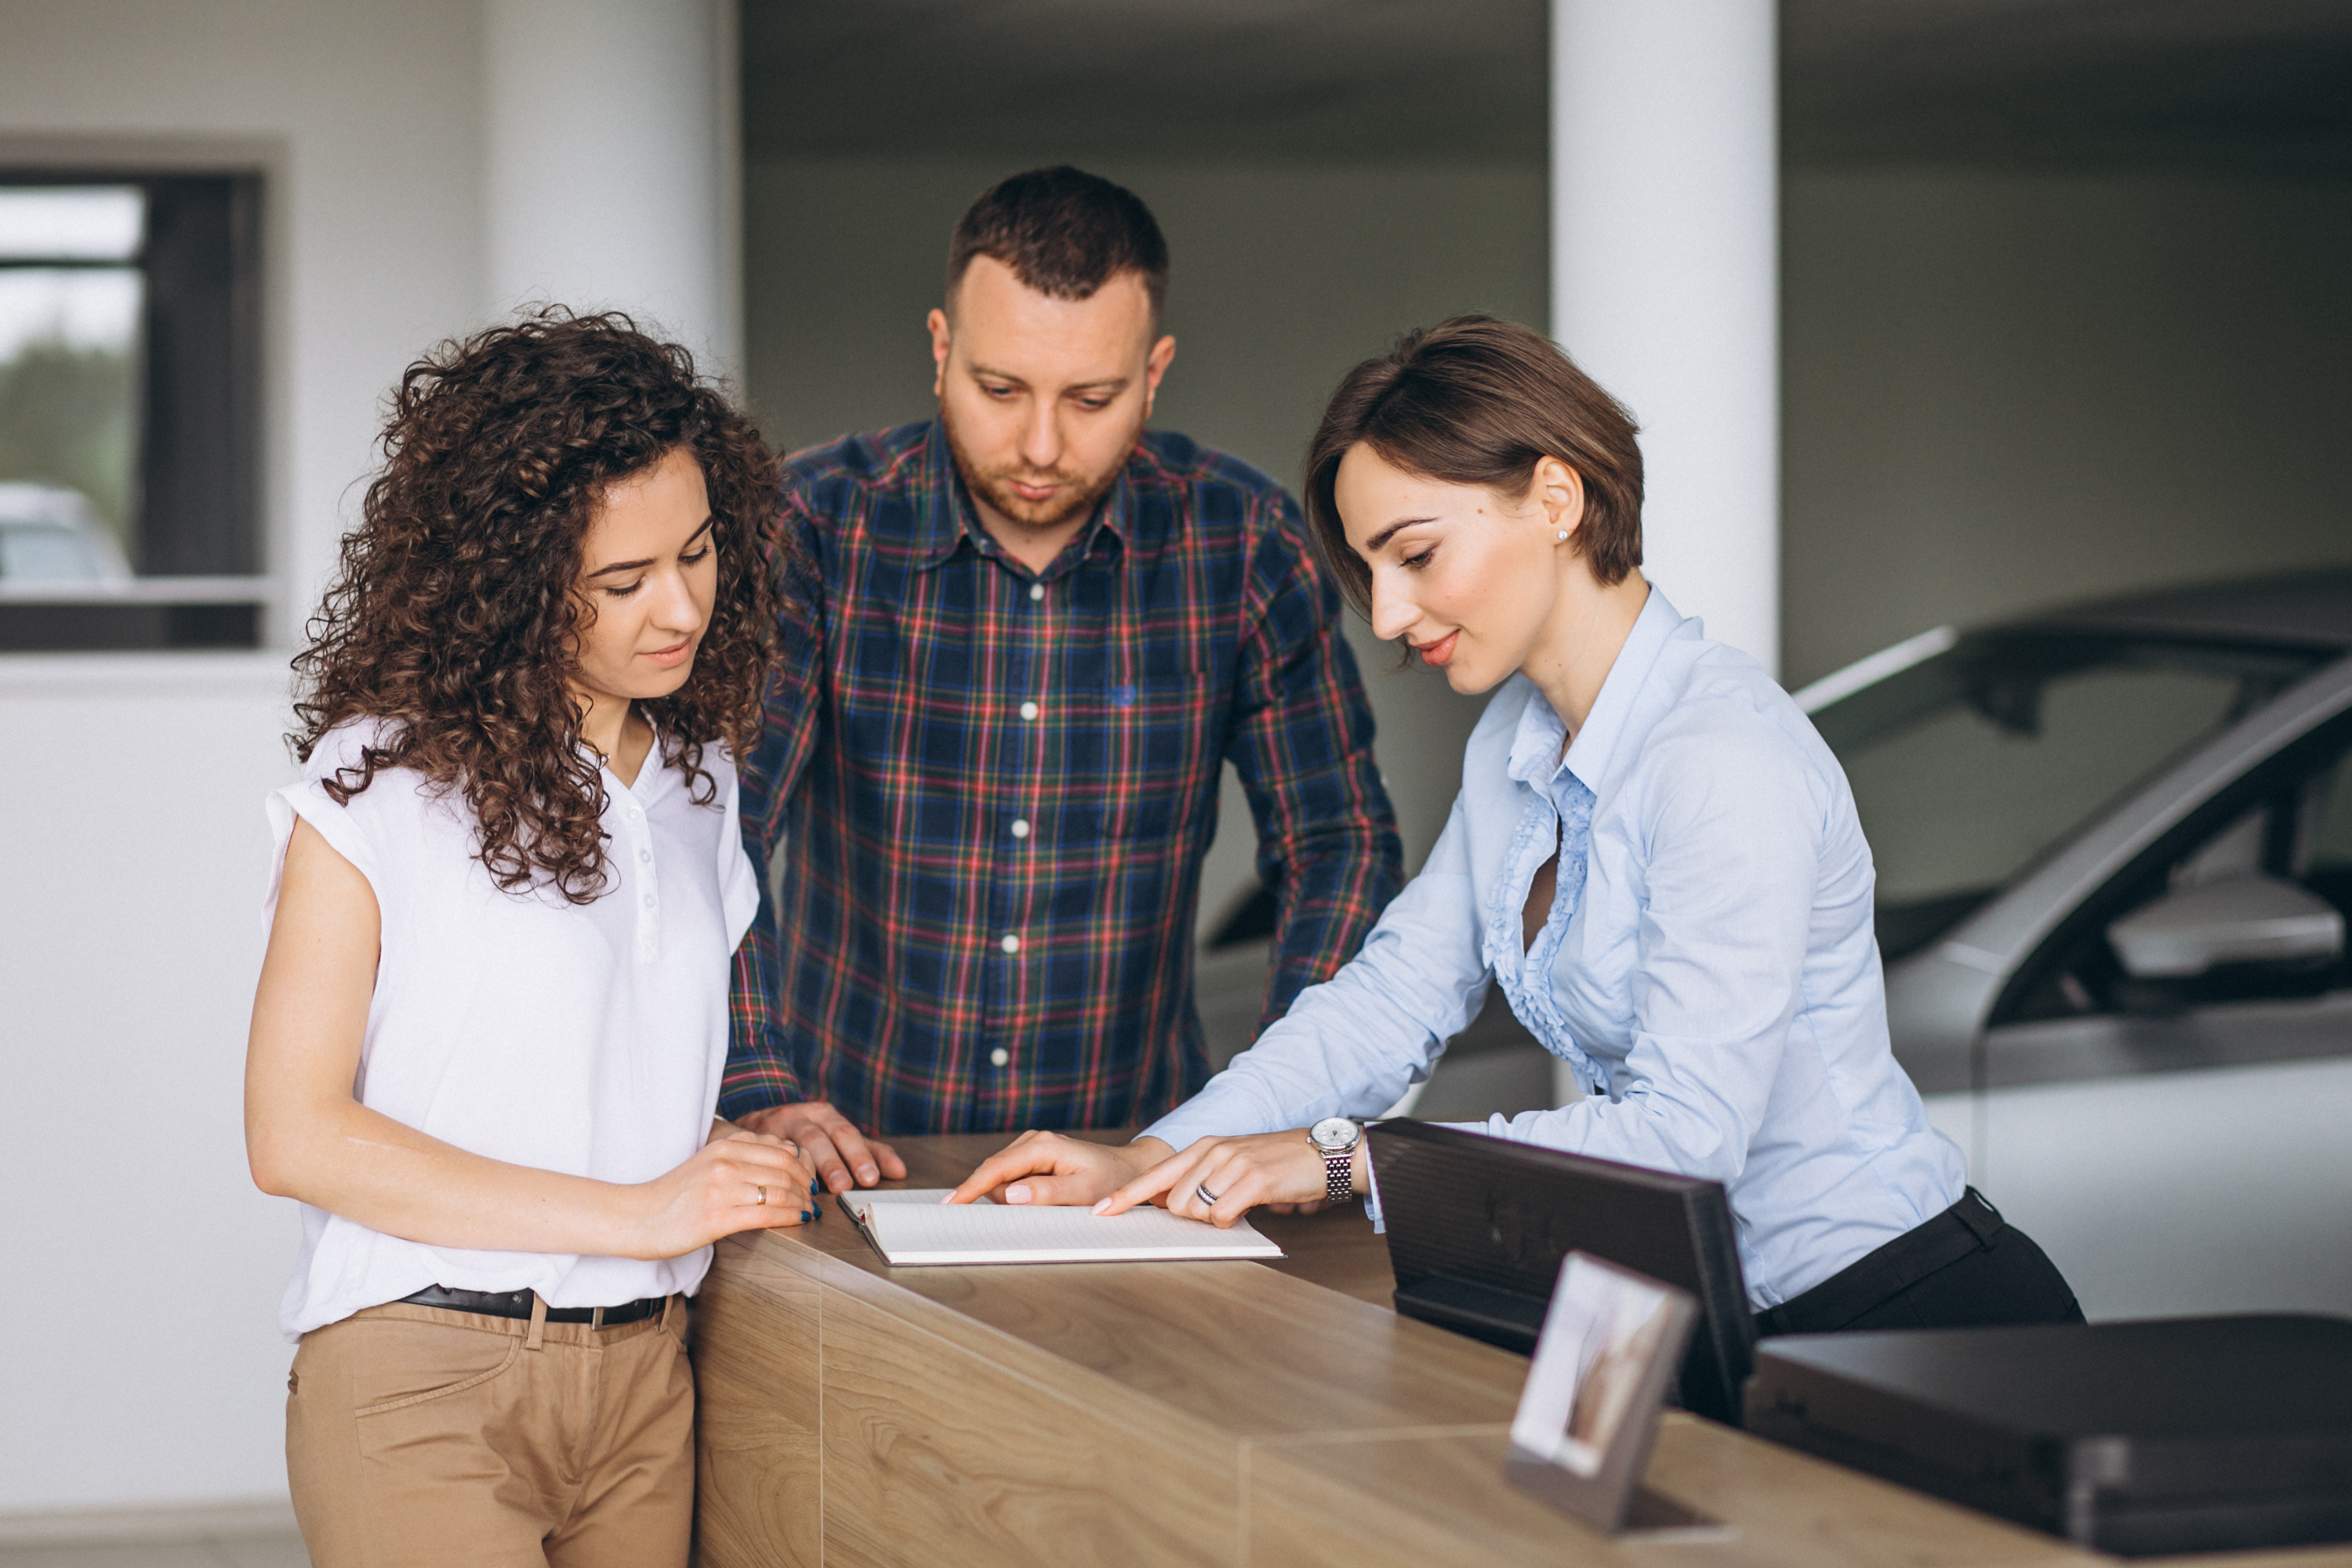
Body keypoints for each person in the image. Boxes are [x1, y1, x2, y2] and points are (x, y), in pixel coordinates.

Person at [956, 315, 2084, 1334]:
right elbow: (1395, 996)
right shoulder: (1515, 739)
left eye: (1417, 554)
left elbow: (1684, 1137)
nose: (1389, 614)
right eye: (1369, 571)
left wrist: (1343, 1160)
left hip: (1912, 1315)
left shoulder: (1721, 758)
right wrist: (1155, 1158)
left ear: (1556, 498)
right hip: (1721, 1315)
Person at [245, 310, 821, 1567]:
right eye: (623, 583)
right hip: (425, 1376)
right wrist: (645, 1209)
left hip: (645, 1377)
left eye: (700, 552)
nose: (678, 607)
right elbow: (291, 1135)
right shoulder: (380, 779)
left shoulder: (700, 780)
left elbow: (589, 1073)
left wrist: (725, 1151)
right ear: (509, 585)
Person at [722, 165, 1403, 1190]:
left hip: (1131, 1164)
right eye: (1001, 390)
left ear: (1155, 371)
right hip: (847, 1151)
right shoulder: (817, 525)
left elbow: (1338, 846)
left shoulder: (1244, 544)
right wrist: (757, 1080)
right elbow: (711, 825)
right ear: (942, 350)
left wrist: (1276, 1117)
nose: (1042, 445)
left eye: (1092, 399)